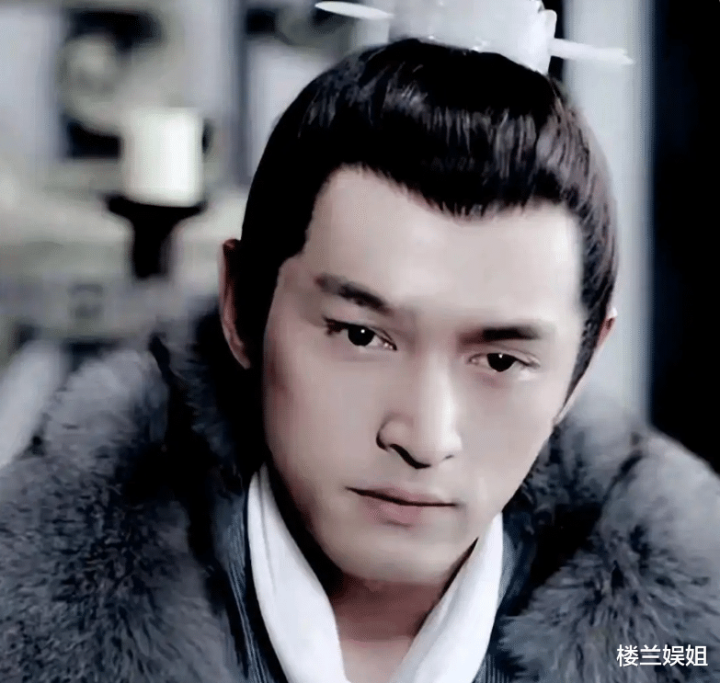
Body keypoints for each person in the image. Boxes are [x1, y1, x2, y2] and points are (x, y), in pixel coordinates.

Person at [1, 38, 718, 683]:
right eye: (361, 336)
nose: (423, 437)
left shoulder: (682, 647)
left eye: (500, 360)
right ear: (242, 308)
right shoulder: (29, 619)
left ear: (581, 369)